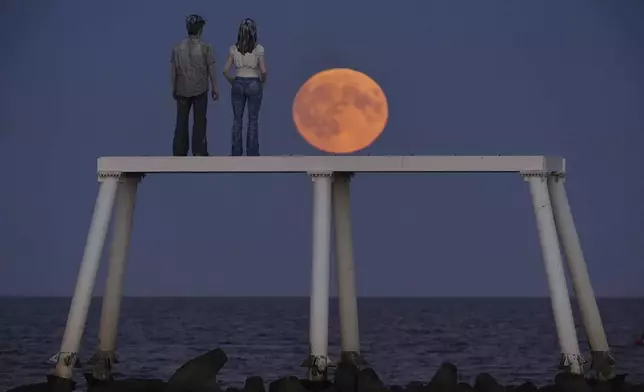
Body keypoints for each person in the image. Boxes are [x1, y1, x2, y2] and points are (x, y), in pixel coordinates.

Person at [170, 14, 219, 157]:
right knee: (199, 121)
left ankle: (179, 151)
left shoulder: (177, 48)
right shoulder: (206, 48)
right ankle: (199, 151)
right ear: (200, 29)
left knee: (181, 121)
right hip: (200, 88)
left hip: (182, 88)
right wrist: (215, 86)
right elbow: (211, 68)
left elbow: (174, 71)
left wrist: (173, 87)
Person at [223, 18, 267, 156]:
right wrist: (262, 82)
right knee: (253, 119)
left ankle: (236, 151)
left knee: (237, 119)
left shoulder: (233, 49)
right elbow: (264, 70)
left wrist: (233, 81)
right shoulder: (258, 49)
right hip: (254, 81)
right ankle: (252, 151)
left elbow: (225, 71)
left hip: (238, 82)